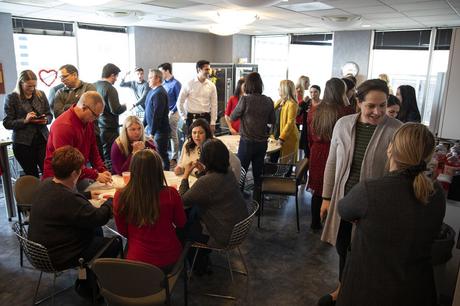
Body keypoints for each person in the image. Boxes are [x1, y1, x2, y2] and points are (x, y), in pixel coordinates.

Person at [336, 123, 446, 306]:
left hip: (369, 290)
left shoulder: (369, 190)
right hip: (418, 291)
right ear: (428, 157)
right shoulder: (436, 192)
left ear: (390, 149)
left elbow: (344, 210)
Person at [318, 79, 402, 306]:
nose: (377, 112)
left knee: (369, 251)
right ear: (358, 103)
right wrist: (326, 198)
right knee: (344, 246)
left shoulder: (396, 129)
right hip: (345, 200)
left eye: (382, 105)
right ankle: (343, 287)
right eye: (371, 106)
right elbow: (332, 162)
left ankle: (361, 291)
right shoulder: (343, 124)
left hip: (376, 205)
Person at [28, 146, 120, 300]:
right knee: (114, 243)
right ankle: (92, 284)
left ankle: (89, 278)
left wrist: (90, 193)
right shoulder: (69, 199)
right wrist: (111, 199)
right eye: (80, 170)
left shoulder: (46, 184)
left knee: (94, 229)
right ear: (74, 173)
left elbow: (70, 199)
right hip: (59, 255)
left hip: (39, 250)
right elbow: (99, 217)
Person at [179, 139, 248, 271]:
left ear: (205, 158)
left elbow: (182, 200)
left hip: (223, 234)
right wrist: (203, 172)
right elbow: (210, 190)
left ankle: (198, 267)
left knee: (180, 229)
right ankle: (202, 258)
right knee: (192, 212)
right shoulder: (228, 171)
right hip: (238, 226)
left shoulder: (207, 182)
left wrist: (186, 175)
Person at [113, 149, 186, 272]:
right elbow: (181, 223)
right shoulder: (170, 194)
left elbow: (123, 231)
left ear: (133, 169)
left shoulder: (120, 196)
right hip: (168, 259)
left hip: (137, 262)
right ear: (158, 170)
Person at [307, 78, 352, 231]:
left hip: (317, 152)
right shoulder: (345, 111)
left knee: (318, 190)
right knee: (334, 189)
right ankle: (331, 225)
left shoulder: (315, 110)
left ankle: (315, 222)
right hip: (336, 153)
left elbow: (308, 135)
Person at [43, 91, 112, 187]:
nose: (96, 118)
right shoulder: (63, 126)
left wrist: (102, 169)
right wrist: (95, 175)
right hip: (59, 178)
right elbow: (67, 162)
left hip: (77, 173)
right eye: (95, 115)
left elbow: (93, 150)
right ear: (84, 107)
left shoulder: (88, 122)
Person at [230, 72, 275, 203]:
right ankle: (257, 206)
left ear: (247, 85)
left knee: (241, 174)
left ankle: (239, 205)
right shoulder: (268, 100)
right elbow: (272, 120)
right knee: (258, 176)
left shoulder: (245, 99)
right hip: (262, 144)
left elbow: (233, 117)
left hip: (246, 143)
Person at [3, 70, 53, 177]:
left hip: (43, 140)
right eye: (29, 86)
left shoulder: (40, 95)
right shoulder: (12, 97)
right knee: (31, 175)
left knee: (48, 172)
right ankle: (35, 194)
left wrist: (46, 120)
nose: (32, 89)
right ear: (21, 83)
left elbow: (49, 114)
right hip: (23, 143)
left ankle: (48, 193)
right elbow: (7, 123)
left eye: (34, 85)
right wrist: (25, 120)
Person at [174, 118, 241, 180]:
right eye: (194, 133)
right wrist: (180, 168)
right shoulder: (188, 143)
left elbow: (214, 176)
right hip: (192, 180)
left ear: (207, 134)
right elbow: (181, 163)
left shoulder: (214, 147)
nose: (196, 136)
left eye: (201, 133)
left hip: (208, 183)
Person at [94, 63, 127, 162]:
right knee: (111, 156)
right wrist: (125, 106)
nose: (116, 79)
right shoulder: (110, 88)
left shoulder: (93, 85)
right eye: (116, 76)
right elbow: (115, 110)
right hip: (109, 128)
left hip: (97, 127)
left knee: (100, 156)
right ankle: (111, 177)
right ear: (112, 75)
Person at [177, 60, 218, 132]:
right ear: (199, 69)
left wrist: (213, 122)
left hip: (206, 118)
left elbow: (214, 105)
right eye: (206, 69)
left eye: (209, 69)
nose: (209, 72)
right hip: (192, 118)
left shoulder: (211, 85)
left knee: (206, 142)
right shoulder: (189, 84)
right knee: (192, 142)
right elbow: (179, 102)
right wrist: (184, 118)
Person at [144, 68, 170, 171]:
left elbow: (157, 115)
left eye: (150, 78)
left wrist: (152, 133)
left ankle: (166, 175)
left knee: (161, 155)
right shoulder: (152, 91)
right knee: (155, 155)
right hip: (151, 130)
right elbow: (147, 111)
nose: (148, 80)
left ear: (157, 79)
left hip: (160, 131)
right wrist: (142, 126)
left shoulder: (159, 93)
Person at [158, 62, 182, 167]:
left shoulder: (176, 83)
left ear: (167, 71)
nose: (160, 74)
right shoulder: (163, 84)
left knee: (173, 135)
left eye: (161, 71)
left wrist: (172, 110)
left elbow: (179, 100)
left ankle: (174, 157)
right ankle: (167, 156)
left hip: (173, 113)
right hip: (165, 113)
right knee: (165, 135)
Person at [274, 79, 299, 163]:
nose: (278, 89)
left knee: (286, 163)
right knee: (274, 160)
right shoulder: (280, 101)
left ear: (285, 89)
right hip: (277, 135)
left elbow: (290, 123)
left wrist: (282, 137)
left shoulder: (292, 104)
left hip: (287, 137)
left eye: (279, 88)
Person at [295, 75, 311, 158]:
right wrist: (304, 102)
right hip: (296, 122)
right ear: (304, 83)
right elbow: (296, 109)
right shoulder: (297, 93)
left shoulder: (301, 93)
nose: (309, 84)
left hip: (300, 122)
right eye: (308, 82)